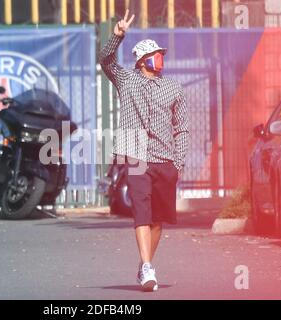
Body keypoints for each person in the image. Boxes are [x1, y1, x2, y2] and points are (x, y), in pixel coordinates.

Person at [99, 10, 190, 292]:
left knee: (158, 219)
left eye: (161, 54)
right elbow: (106, 61)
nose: (160, 58)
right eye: (155, 54)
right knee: (141, 210)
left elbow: (182, 128)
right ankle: (148, 267)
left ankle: (145, 262)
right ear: (142, 61)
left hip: (165, 160)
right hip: (136, 156)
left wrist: (179, 162)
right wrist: (117, 36)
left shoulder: (174, 88)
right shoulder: (127, 80)